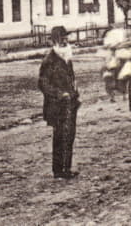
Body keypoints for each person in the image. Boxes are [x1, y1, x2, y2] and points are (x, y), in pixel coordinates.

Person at [39, 26, 81, 179]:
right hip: (57, 106)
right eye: (62, 39)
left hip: (70, 104)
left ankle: (66, 168)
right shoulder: (49, 60)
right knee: (60, 136)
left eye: (66, 38)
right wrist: (59, 94)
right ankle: (58, 170)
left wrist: (75, 92)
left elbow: (71, 78)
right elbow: (43, 84)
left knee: (69, 135)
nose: (66, 41)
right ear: (55, 41)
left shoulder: (66, 58)